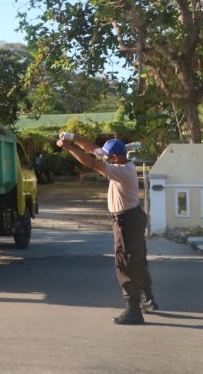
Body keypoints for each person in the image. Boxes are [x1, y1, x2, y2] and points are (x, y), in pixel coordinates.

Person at [57, 132, 158, 325]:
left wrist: (68, 147)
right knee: (137, 259)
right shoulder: (120, 161)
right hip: (132, 217)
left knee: (125, 263)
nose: (102, 156)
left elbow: (91, 163)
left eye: (106, 155)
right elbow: (92, 148)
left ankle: (133, 310)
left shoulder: (121, 171)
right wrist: (73, 137)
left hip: (126, 221)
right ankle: (148, 299)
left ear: (115, 157)